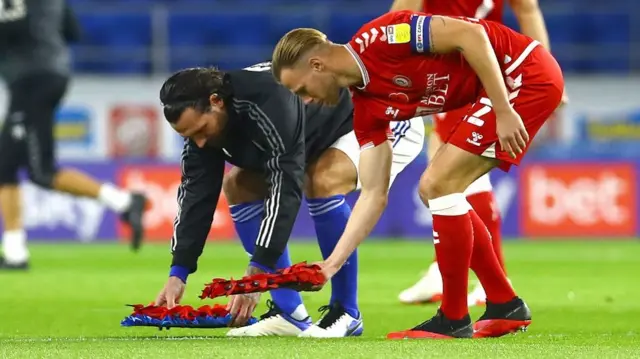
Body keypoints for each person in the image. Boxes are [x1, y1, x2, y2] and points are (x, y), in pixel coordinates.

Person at [271, 10, 564, 338]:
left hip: (523, 73)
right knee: (437, 189)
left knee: (438, 184)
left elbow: (472, 36)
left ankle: (454, 318)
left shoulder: (383, 37)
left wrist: (502, 109)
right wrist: (331, 265)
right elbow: (373, 194)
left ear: (316, 65)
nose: (306, 100)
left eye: (301, 90)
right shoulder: (367, 108)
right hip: (497, 92)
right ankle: (503, 304)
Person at [152, 64, 424, 338]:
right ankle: (289, 314)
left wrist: (257, 273)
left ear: (216, 101)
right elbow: (196, 197)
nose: (198, 143)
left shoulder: (269, 103)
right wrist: (179, 272)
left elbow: (285, 187)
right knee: (237, 185)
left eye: (201, 129)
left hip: (379, 115)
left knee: (322, 179)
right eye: (189, 136)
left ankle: (346, 312)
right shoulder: (204, 133)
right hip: (321, 134)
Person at [389, 0, 564, 307]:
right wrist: (546, 65)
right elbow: (528, 9)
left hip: (456, 66)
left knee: (456, 176)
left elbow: (395, 22)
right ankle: (441, 270)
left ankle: (491, 282)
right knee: (442, 160)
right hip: (489, 60)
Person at [0, 0, 147, 270]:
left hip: (31, 77)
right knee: (6, 164)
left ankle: (125, 201)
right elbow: (73, 31)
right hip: (52, 72)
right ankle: (14, 250)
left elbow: (13, 26)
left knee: (40, 171)